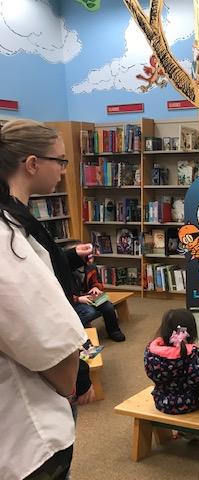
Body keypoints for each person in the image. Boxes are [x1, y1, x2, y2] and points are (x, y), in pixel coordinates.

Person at [0, 119, 88, 479]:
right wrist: (71, 381)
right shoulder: (7, 238)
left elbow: (43, 270)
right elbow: (51, 349)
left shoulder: (19, 222)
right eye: (61, 161)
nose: (64, 171)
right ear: (32, 164)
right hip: (26, 430)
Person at [144, 309, 199, 414]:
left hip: (161, 401)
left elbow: (150, 373)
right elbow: (196, 380)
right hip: (190, 403)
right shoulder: (190, 353)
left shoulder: (151, 350)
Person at [71, 252, 125, 342]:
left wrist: (95, 287)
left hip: (89, 294)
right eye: (88, 258)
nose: (91, 260)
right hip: (74, 299)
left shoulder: (91, 267)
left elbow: (98, 282)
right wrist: (78, 299)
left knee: (108, 306)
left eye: (91, 257)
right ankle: (77, 336)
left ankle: (114, 331)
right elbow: (62, 292)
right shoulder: (66, 271)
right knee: (89, 312)